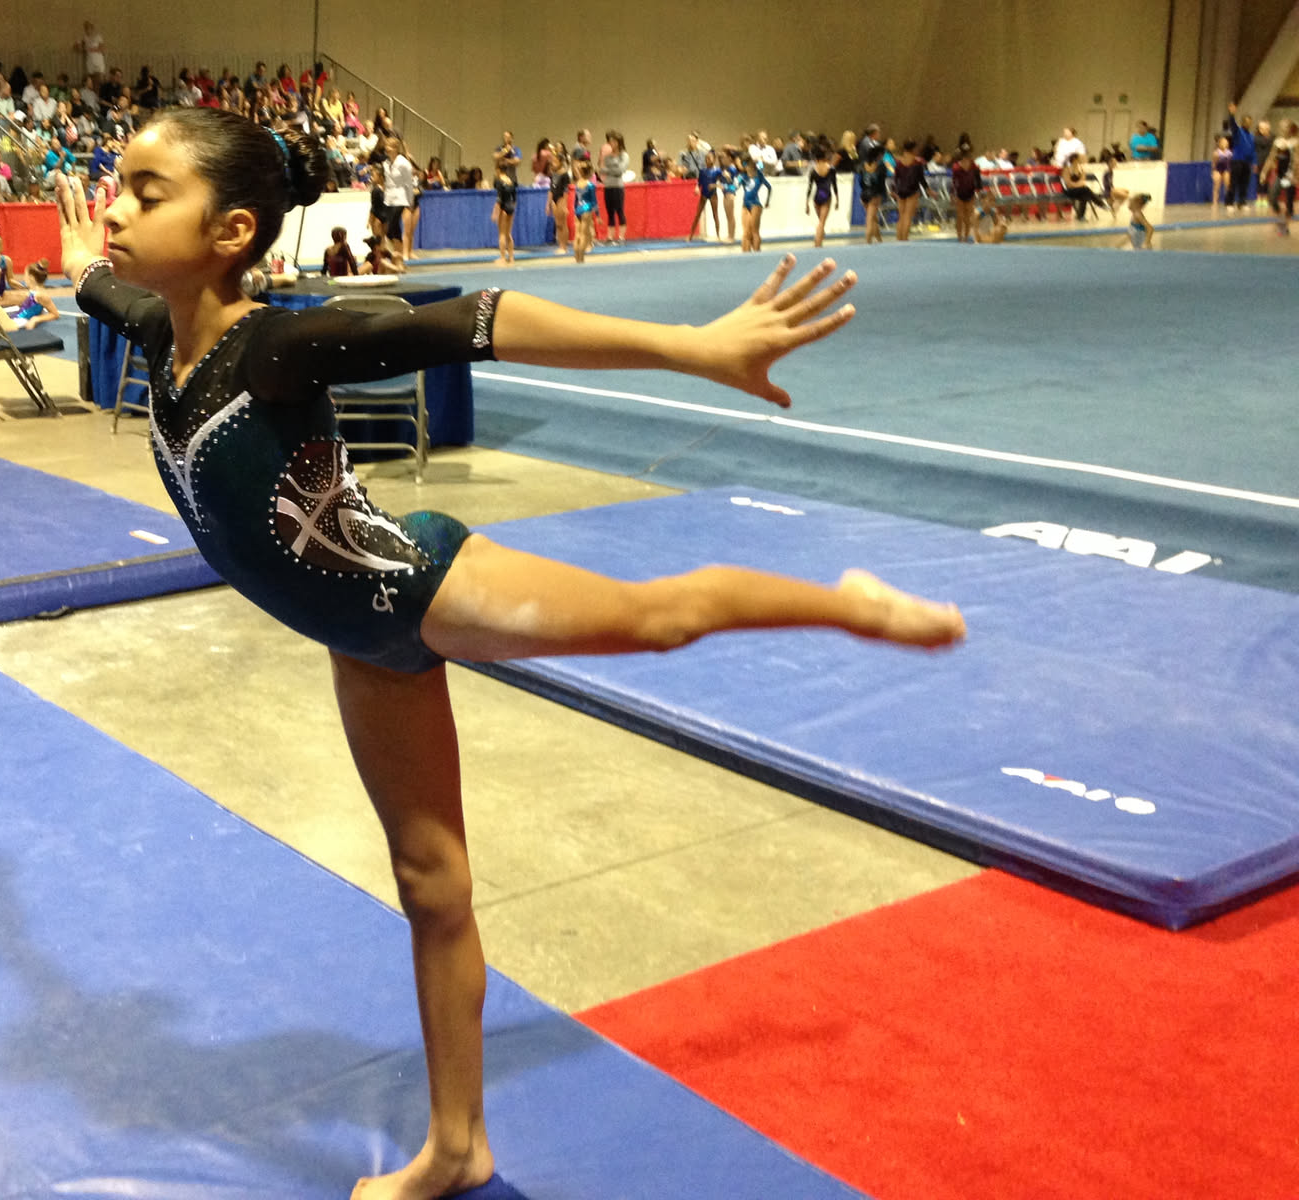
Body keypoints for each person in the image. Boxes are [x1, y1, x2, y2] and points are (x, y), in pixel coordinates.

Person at [54, 108, 964, 1200]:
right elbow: (93, 286)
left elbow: (474, 320)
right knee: (432, 886)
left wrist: (693, 347)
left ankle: (849, 603)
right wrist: (80, 265)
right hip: (359, 641)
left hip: (416, 589)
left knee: (657, 618)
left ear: (232, 231)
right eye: (118, 185)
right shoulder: (156, 330)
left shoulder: (277, 350)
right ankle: (457, 1148)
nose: (115, 207)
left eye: (147, 193)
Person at [1260, 118, 1296, 236]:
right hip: (1280, 174)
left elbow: (1297, 160)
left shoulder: (1295, 142)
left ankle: (1285, 225)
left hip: (1291, 175)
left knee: (1289, 202)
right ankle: (1281, 218)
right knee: (1272, 197)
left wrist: (1295, 175)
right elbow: (1271, 158)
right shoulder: (1277, 142)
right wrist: (1264, 172)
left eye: (1285, 127)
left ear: (1290, 128)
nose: (1283, 129)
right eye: (1281, 127)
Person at [890, 140, 926, 243]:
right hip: (912, 191)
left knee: (901, 216)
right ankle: (905, 239)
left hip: (901, 190)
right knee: (907, 216)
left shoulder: (899, 162)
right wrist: (928, 190)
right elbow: (921, 179)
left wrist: (893, 190)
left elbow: (896, 178)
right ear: (913, 149)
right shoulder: (917, 163)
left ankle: (899, 239)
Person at [597, 131, 629, 244]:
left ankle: (621, 236)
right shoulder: (608, 157)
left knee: (619, 210)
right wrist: (612, 169)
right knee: (609, 211)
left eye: (614, 141)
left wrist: (608, 170)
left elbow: (620, 170)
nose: (611, 143)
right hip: (608, 185)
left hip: (618, 186)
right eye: (610, 141)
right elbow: (601, 170)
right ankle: (610, 236)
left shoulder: (624, 155)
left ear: (619, 142)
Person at [805, 147, 840, 247]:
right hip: (826, 195)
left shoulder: (813, 170)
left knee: (821, 222)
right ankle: (817, 243)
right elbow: (834, 185)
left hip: (817, 196)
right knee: (821, 223)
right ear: (824, 157)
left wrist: (806, 203)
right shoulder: (831, 169)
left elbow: (810, 187)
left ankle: (820, 240)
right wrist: (837, 200)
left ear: (816, 159)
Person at [1224, 104, 1256, 213]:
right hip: (1237, 161)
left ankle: (1242, 202)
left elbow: (1253, 150)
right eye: (1246, 122)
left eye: (1250, 122)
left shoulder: (1251, 136)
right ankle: (1229, 202)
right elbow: (1232, 124)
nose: (1248, 123)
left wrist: (1254, 162)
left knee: (1244, 183)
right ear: (1242, 122)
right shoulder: (1238, 132)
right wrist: (1232, 114)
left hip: (1247, 163)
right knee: (1233, 183)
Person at [738, 156, 771, 253]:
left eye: (747, 165)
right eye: (744, 165)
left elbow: (769, 187)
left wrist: (767, 201)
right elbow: (734, 187)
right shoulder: (743, 177)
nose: (745, 167)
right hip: (745, 205)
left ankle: (757, 253)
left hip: (755, 204)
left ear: (751, 165)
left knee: (754, 231)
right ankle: (745, 254)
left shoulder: (759, 176)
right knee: (746, 232)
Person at [949, 146, 982, 243]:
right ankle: (959, 237)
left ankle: (966, 237)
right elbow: (953, 182)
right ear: (962, 158)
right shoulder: (956, 167)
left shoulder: (974, 166)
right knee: (960, 217)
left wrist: (978, 191)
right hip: (960, 194)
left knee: (967, 217)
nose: (967, 160)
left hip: (970, 193)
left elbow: (978, 180)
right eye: (965, 158)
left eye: (969, 157)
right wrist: (952, 195)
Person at [858, 138, 888, 244]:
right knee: (870, 219)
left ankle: (879, 240)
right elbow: (881, 183)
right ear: (879, 155)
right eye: (882, 154)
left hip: (865, 193)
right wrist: (883, 195)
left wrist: (862, 193)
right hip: (874, 194)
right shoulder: (881, 166)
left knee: (874, 218)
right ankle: (868, 241)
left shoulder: (863, 165)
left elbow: (861, 181)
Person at [691, 146, 723, 242]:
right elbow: (699, 182)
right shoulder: (702, 171)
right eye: (706, 158)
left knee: (715, 214)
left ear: (714, 159)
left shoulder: (718, 171)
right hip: (703, 195)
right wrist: (697, 188)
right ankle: (690, 235)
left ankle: (718, 235)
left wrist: (715, 185)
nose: (707, 160)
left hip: (713, 194)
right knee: (697, 215)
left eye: (709, 158)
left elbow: (722, 183)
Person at [491, 156, 517, 266]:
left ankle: (502, 257)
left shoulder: (499, 181)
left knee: (501, 234)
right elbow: (514, 198)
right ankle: (511, 257)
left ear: (498, 169)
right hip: (511, 208)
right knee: (508, 234)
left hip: (503, 208)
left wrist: (495, 213)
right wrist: (511, 208)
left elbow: (499, 199)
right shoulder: (511, 181)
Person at [571, 158, 597, 263]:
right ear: (590, 172)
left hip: (578, 209)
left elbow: (575, 200)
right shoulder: (590, 185)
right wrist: (598, 215)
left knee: (577, 234)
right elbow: (594, 201)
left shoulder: (577, 183)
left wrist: (575, 210)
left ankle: (576, 257)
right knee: (584, 235)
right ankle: (581, 258)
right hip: (586, 209)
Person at [1209, 131, 1231, 215]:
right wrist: (1213, 172)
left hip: (1226, 170)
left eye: (1226, 143)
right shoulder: (1216, 153)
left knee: (1227, 186)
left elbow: (1230, 163)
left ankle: (1228, 202)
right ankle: (1215, 202)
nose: (1225, 144)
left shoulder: (1229, 153)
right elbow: (1214, 163)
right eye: (1223, 143)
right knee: (1216, 186)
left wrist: (1230, 171)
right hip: (1218, 169)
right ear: (1219, 144)